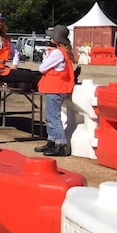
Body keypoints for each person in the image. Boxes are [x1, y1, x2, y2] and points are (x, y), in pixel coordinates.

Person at [34, 25, 76, 157]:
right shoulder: (63, 51)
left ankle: (61, 145)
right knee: (50, 116)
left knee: (53, 118)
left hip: (55, 88)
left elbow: (42, 68)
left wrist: (47, 54)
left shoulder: (57, 52)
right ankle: (52, 141)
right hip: (58, 88)